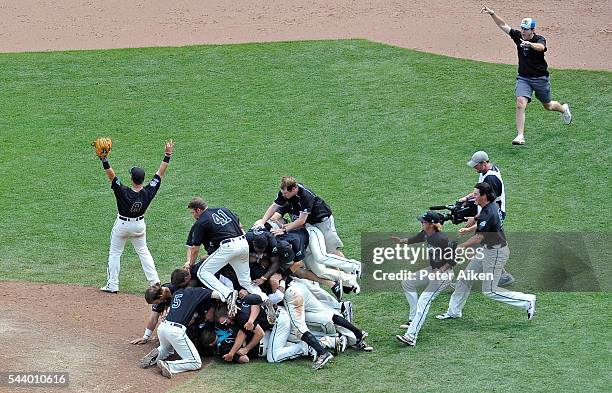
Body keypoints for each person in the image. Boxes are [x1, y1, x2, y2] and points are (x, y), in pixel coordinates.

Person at [436, 183, 536, 322]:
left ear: (484, 196)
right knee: (465, 279)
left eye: (476, 194)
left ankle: (527, 301)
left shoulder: (489, 212)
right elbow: (481, 218)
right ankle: (454, 311)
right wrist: (468, 228)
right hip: (487, 250)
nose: (473, 196)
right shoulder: (491, 206)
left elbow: (479, 237)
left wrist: (461, 247)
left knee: (490, 290)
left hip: (496, 253)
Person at [481, 5, 572, 145]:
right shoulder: (518, 36)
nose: (523, 31)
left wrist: (530, 45)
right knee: (520, 103)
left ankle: (563, 108)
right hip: (524, 78)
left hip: (540, 78)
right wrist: (492, 13)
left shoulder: (539, 39)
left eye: (526, 29)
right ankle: (520, 136)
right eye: (522, 28)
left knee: (548, 105)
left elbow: (542, 48)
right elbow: (503, 25)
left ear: (532, 30)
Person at [98, 140, 175, 293]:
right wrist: (168, 154)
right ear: (142, 179)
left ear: (132, 178)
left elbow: (111, 176)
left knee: (115, 253)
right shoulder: (149, 191)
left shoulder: (123, 191)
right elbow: (160, 173)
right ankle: (155, 282)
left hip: (122, 225)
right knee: (143, 251)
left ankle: (113, 285)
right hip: (139, 226)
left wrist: (104, 160)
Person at [184, 197, 268, 317]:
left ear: (198, 210)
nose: (193, 215)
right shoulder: (223, 210)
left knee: (203, 272)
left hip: (229, 247)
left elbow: (195, 249)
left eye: (193, 212)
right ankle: (265, 299)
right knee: (245, 281)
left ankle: (228, 293)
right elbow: (239, 225)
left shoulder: (201, 221)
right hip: (243, 243)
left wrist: (190, 263)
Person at [139, 272, 223, 379]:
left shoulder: (176, 293)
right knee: (196, 363)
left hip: (163, 327)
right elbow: (217, 295)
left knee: (167, 349)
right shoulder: (193, 292)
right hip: (175, 331)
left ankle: (157, 354)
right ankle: (169, 365)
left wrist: (146, 336)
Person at [392, 211, 456, 347]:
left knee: (424, 301)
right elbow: (416, 238)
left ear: (432, 224)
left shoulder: (442, 239)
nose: (421, 223)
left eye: (423, 222)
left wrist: (439, 271)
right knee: (407, 282)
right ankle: (413, 318)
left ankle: (411, 336)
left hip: (443, 274)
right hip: (432, 270)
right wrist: (402, 241)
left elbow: (452, 261)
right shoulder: (427, 233)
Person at [254, 176, 349, 259]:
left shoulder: (305, 196)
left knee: (330, 250)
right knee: (315, 250)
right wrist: (262, 221)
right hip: (310, 223)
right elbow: (274, 206)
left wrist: (284, 230)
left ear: (294, 189)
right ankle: (339, 274)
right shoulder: (285, 193)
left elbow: (301, 220)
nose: (284, 196)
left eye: (286, 193)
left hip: (322, 221)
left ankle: (352, 271)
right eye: (283, 193)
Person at [461, 150, 514, 286]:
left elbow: (489, 201)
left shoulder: (491, 178)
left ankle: (467, 281)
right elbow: (481, 192)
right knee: (487, 246)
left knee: (483, 244)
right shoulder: (487, 172)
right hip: (490, 214)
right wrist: (467, 198)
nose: (474, 168)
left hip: (494, 215)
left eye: (476, 165)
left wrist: (476, 218)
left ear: (484, 163)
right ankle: (503, 275)